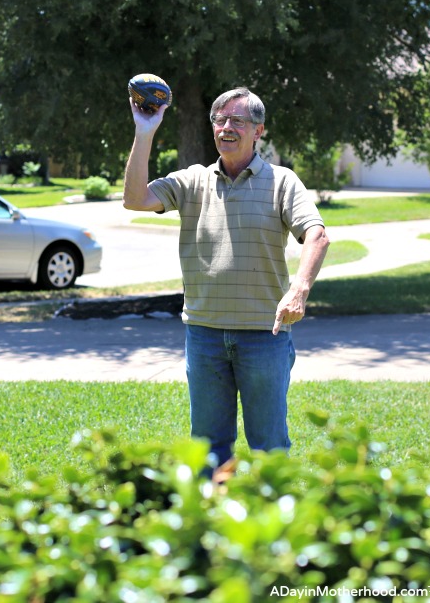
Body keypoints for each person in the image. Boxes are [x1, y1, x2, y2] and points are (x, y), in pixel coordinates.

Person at [123, 86, 329, 469]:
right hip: (204, 334)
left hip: (264, 336)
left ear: (259, 130)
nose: (226, 127)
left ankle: (273, 526)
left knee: (269, 446)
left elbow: (317, 235)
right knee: (208, 448)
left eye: (237, 120)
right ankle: (211, 523)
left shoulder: (282, 181)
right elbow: (135, 199)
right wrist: (144, 131)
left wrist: (298, 290)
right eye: (219, 119)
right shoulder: (192, 181)